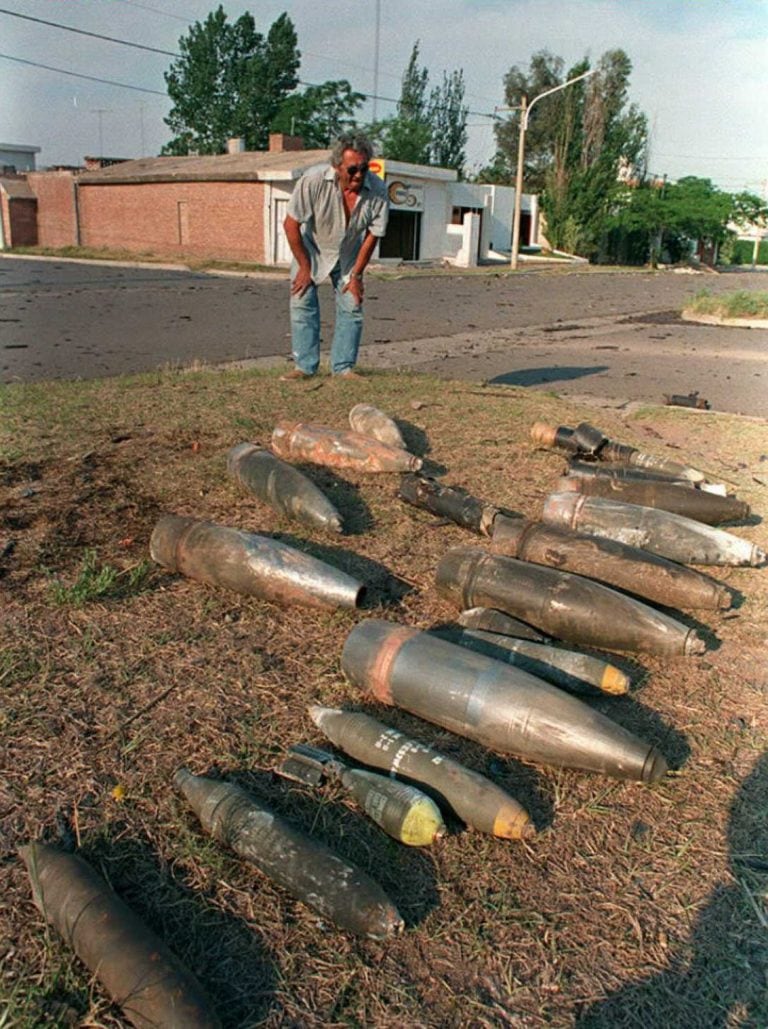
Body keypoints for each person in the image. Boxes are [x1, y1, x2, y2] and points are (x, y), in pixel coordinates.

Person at [281, 132, 389, 380]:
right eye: (352, 170)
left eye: (364, 168)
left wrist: (357, 275)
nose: (359, 175)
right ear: (337, 166)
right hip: (312, 251)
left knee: (352, 307)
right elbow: (290, 225)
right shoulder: (313, 181)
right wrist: (304, 267)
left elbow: (373, 234)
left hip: (349, 256)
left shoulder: (378, 190)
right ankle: (304, 367)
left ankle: (343, 368)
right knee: (302, 302)